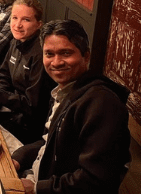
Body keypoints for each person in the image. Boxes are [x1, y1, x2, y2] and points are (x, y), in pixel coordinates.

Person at [16, 19, 131, 194]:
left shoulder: (102, 105)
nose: (56, 62)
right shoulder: (64, 91)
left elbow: (95, 180)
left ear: (86, 56)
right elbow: (51, 142)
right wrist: (19, 157)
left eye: (66, 53)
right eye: (49, 54)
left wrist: (37, 188)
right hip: (37, 176)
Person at [0, 0, 55, 148]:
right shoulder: (17, 41)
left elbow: (30, 106)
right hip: (9, 110)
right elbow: (4, 76)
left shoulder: (40, 54)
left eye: (26, 20)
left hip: (27, 128)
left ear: (38, 24)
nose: (18, 25)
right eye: (15, 18)